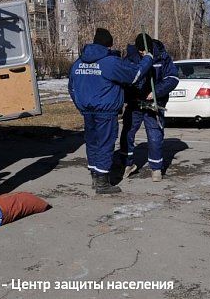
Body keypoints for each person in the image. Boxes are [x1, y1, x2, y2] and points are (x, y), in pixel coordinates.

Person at [68, 28, 153, 194]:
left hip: (87, 111)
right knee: (105, 144)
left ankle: (95, 175)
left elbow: (71, 87)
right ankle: (102, 182)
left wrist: (80, 106)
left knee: (92, 143)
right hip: (105, 111)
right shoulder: (110, 62)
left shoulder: (78, 63)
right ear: (109, 45)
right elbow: (134, 75)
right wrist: (148, 60)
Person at [119, 33, 179, 182]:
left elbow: (173, 78)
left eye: (144, 51)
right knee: (127, 132)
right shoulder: (131, 57)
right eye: (139, 51)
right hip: (135, 103)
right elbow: (125, 78)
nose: (142, 53)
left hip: (154, 103)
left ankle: (156, 168)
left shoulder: (162, 56)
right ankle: (127, 164)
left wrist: (156, 92)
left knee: (154, 134)